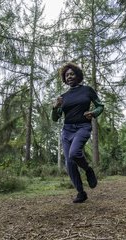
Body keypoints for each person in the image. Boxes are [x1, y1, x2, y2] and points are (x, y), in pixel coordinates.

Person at [52, 62, 104, 203]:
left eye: (72, 74)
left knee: (74, 153)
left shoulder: (87, 90)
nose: (69, 76)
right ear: (64, 78)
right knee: (69, 163)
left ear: (77, 75)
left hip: (83, 127)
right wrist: (55, 107)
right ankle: (81, 193)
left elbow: (100, 106)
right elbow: (55, 118)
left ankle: (88, 170)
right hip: (67, 130)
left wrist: (93, 113)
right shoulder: (63, 97)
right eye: (66, 75)